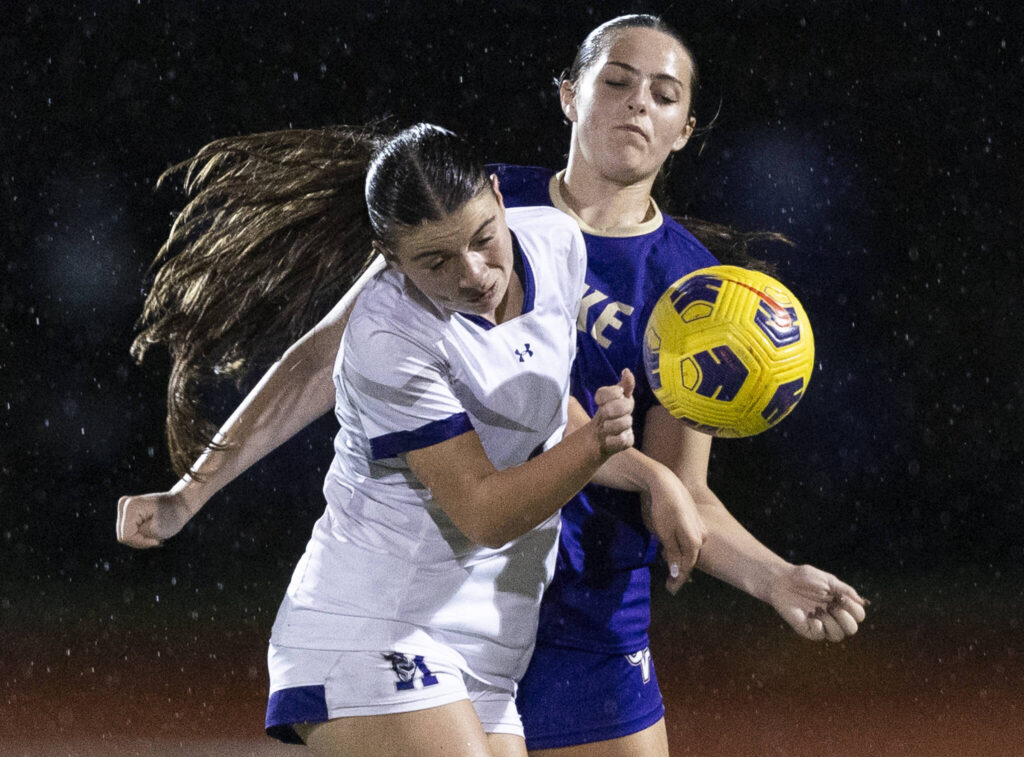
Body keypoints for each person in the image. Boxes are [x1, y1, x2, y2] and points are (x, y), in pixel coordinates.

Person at [118, 14, 867, 757]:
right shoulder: (465, 211)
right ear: (570, 96)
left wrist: (773, 577)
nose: (639, 102)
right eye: (618, 80)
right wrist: (192, 490)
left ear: (685, 130)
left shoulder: (689, 291)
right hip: (434, 578)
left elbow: (674, 486)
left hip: (582, 607)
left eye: (664, 94)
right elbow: (324, 359)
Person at [118, 121, 692, 756]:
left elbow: (538, 401)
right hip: (375, 622)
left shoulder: (557, 243)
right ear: (388, 257)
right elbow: (484, 513)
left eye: (483, 239)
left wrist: (647, 472)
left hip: (494, 637)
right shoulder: (389, 334)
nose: (473, 274)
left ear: (501, 198)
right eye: (435, 261)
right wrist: (595, 449)